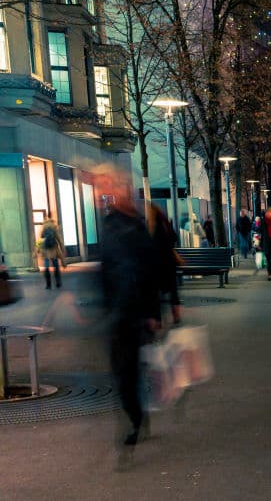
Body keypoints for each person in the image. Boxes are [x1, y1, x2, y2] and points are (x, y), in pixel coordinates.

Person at [95, 167, 161, 463]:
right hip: (115, 313)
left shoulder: (136, 227)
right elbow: (105, 267)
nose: (106, 193)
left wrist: (153, 312)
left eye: (111, 187)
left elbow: (150, 271)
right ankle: (136, 415)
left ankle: (134, 422)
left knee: (129, 372)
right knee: (122, 375)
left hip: (134, 312)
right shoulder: (108, 224)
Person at [148, 204, 182, 326]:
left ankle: (157, 320)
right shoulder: (166, 224)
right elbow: (174, 237)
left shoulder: (152, 227)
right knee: (173, 290)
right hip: (169, 262)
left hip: (157, 264)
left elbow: (150, 245)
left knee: (155, 292)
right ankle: (176, 315)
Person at [39, 213, 64, 290]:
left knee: (46, 267)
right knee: (56, 266)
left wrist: (37, 250)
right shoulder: (54, 226)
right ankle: (58, 283)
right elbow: (59, 238)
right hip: (53, 249)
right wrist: (62, 249)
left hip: (45, 250)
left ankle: (48, 284)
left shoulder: (43, 227)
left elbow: (40, 240)